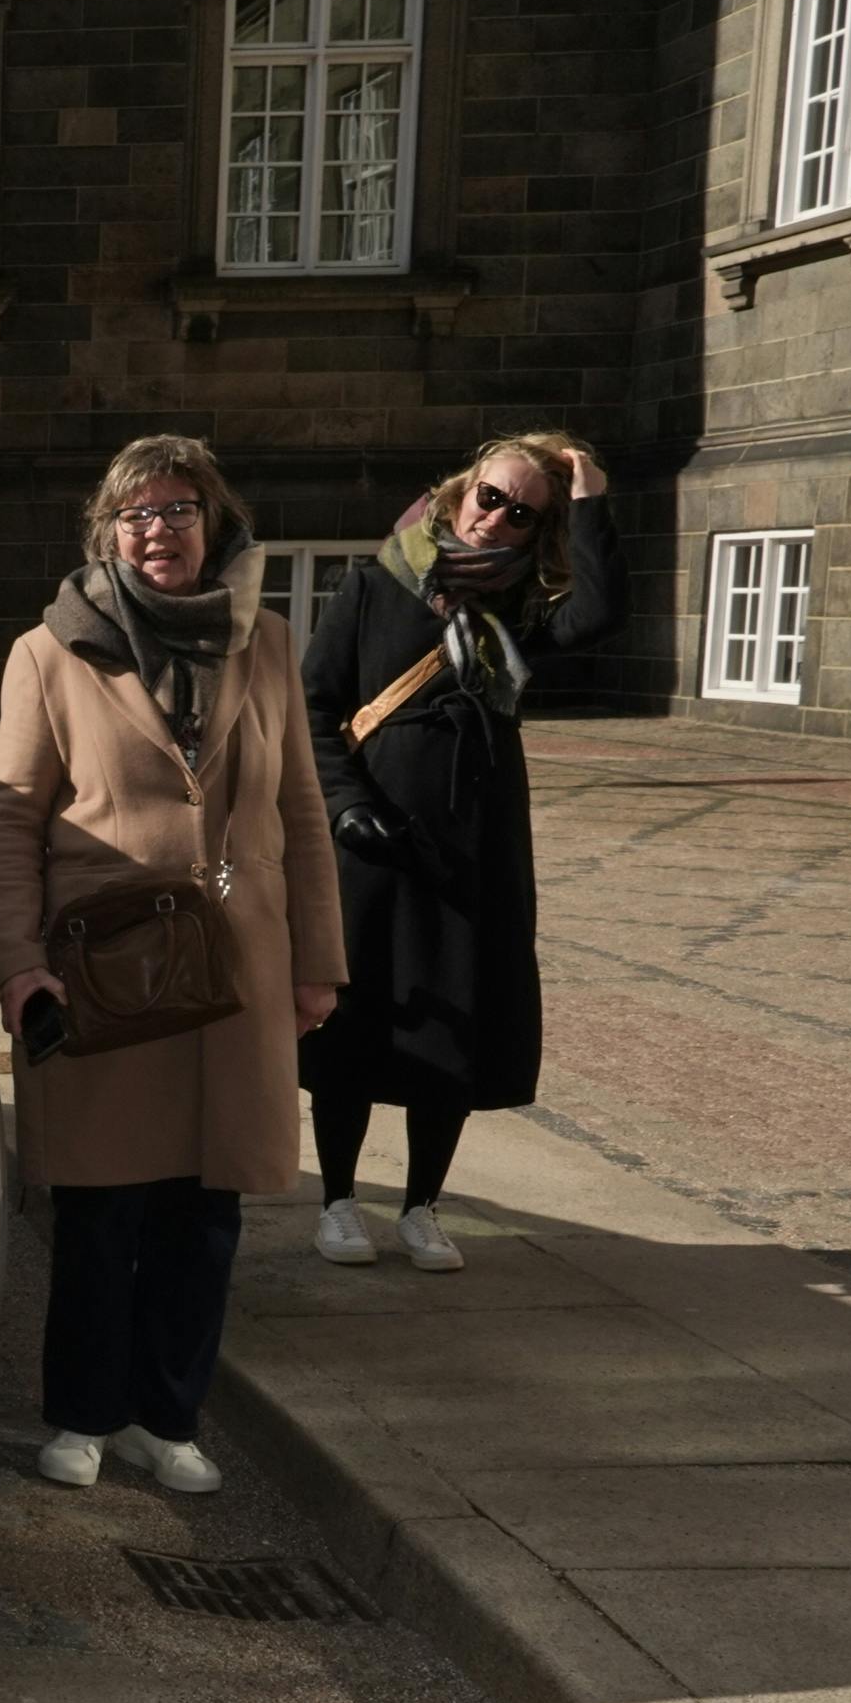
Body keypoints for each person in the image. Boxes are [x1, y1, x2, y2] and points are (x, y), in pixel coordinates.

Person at [0, 435, 344, 1491]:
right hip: (108, 972)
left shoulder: (267, 641)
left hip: (241, 968)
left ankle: (167, 1416)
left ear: (214, 524)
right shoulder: (50, 653)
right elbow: (10, 831)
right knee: (101, 1211)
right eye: (136, 514)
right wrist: (19, 967)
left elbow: (304, 812)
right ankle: (85, 1414)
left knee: (206, 1209)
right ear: (108, 530)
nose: (157, 532)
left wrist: (319, 961)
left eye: (179, 510)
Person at [298, 433, 617, 1265]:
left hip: (473, 845)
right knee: (356, 1026)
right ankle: (336, 1201)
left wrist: (588, 498)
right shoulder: (373, 584)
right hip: (374, 840)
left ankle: (421, 1207)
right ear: (458, 491)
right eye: (490, 497)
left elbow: (598, 616)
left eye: (522, 513)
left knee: (454, 1024)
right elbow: (313, 708)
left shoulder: (519, 609)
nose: (496, 520)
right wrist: (344, 805)